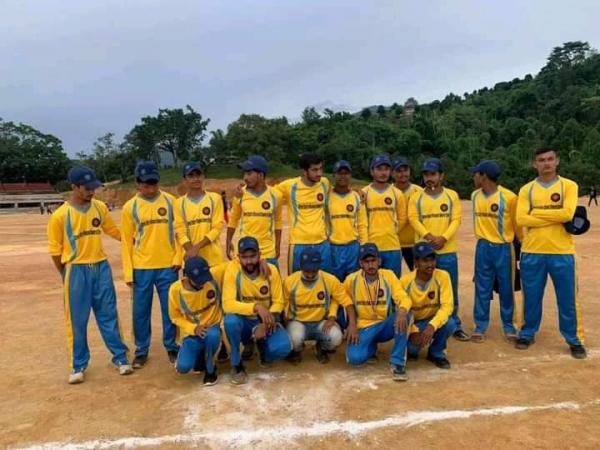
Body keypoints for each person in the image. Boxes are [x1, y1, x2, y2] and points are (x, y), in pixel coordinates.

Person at [47, 166, 132, 384]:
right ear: (74, 187)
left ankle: (120, 357)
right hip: (75, 269)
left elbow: (112, 230)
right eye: (87, 188)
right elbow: (55, 250)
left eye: (93, 188)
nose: (91, 192)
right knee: (77, 320)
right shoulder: (60, 216)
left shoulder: (99, 207)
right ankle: (78, 365)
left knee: (109, 315)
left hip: (101, 267)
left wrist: (133, 239)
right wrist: (64, 272)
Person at [515, 148, 586, 359]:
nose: (546, 163)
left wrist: (536, 212)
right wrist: (556, 216)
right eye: (541, 160)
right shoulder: (526, 189)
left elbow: (568, 214)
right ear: (534, 164)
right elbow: (521, 219)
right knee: (531, 297)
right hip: (532, 251)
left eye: (550, 159)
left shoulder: (569, 186)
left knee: (568, 299)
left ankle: (574, 339)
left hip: (562, 251)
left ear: (557, 161)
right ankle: (527, 333)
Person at [121, 161, 181, 369]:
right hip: (141, 267)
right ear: (138, 183)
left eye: (154, 183)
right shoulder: (130, 207)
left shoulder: (171, 202)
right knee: (140, 311)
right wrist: (129, 272)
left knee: (170, 309)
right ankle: (141, 350)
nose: (151, 188)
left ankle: (172, 346)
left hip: (168, 266)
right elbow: (126, 241)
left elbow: (180, 233)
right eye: (146, 184)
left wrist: (178, 257)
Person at [407, 158, 469, 341]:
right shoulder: (416, 197)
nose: (429, 178)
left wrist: (444, 238)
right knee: (422, 289)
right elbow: (413, 219)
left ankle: (454, 324)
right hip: (423, 253)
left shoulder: (451, 195)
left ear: (441, 176)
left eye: (433, 174)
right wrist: (429, 237)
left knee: (450, 289)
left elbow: (456, 219)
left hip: (446, 250)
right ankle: (423, 322)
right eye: (426, 174)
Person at [222, 237, 292, 384]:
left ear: (259, 255)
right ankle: (237, 364)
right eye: (244, 257)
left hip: (266, 320)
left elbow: (279, 302)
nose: (249, 261)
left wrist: (266, 324)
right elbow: (227, 304)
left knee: (283, 347)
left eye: (253, 256)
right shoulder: (233, 270)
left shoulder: (271, 270)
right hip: (245, 320)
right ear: (238, 257)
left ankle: (263, 349)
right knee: (230, 321)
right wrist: (256, 307)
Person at [470, 160, 522, 343]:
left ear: (483, 176)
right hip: (483, 247)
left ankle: (509, 325)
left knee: (506, 287)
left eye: (475, 174)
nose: (473, 177)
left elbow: (517, 226)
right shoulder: (475, 196)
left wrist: (522, 248)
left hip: (504, 248)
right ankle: (480, 325)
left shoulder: (509, 197)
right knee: (482, 287)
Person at [344, 243, 411, 381]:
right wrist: (350, 323)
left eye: (373, 261)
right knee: (354, 358)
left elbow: (404, 298)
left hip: (385, 325)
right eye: (366, 262)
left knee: (405, 316)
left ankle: (397, 362)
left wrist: (402, 311)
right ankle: (371, 347)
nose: (370, 265)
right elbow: (339, 297)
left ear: (379, 261)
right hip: (364, 328)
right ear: (360, 263)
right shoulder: (352, 280)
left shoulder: (388, 276)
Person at [283, 247, 356, 364]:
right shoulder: (289, 281)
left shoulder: (329, 280)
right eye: (307, 271)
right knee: (295, 338)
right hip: (298, 322)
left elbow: (347, 302)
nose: (310, 275)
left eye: (314, 271)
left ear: (319, 267)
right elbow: (281, 304)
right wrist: (285, 323)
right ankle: (296, 350)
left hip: (321, 323)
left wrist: (351, 323)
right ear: (301, 266)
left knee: (336, 337)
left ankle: (321, 347)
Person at [168, 257, 226, 386]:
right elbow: (175, 317)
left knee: (212, 336)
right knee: (183, 367)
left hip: (212, 327)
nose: (203, 283)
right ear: (187, 277)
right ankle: (199, 354)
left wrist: (262, 261)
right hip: (192, 333)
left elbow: (234, 263)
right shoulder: (175, 290)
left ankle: (210, 368)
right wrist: (193, 328)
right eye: (198, 280)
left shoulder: (213, 276)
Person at [273, 153, 331, 274]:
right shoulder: (289, 186)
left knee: (324, 280)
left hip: (322, 242)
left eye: (320, 168)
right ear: (304, 171)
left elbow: (340, 191)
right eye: (314, 170)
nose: (319, 173)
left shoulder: (324, 183)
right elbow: (266, 193)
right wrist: (243, 189)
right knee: (296, 281)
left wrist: (358, 191)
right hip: (299, 244)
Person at [400, 242, 455, 369]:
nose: (430, 264)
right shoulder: (404, 282)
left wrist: (432, 325)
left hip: (432, 320)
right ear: (416, 262)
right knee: (412, 349)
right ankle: (412, 349)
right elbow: (402, 311)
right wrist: (413, 331)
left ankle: (436, 353)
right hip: (414, 324)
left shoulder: (443, 276)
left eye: (432, 260)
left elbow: (447, 306)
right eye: (425, 261)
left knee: (450, 323)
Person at [227, 155, 283, 267]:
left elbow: (278, 221)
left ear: (261, 175)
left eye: (249, 174)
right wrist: (228, 242)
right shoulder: (240, 194)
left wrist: (277, 245)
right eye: (244, 174)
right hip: (245, 252)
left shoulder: (276, 195)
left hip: (268, 253)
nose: (245, 178)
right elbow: (233, 219)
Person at [361, 154, 407, 277]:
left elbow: (402, 218)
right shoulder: (364, 193)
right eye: (379, 169)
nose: (383, 173)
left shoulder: (397, 193)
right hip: (371, 247)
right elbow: (360, 221)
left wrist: (392, 231)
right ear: (372, 171)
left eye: (386, 169)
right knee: (372, 283)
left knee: (393, 283)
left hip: (392, 246)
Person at [174, 161, 224, 267]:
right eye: (191, 176)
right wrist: (191, 252)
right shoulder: (179, 204)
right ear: (184, 180)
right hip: (192, 261)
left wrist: (196, 248)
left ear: (203, 176)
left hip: (214, 260)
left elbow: (217, 228)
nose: (196, 178)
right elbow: (181, 232)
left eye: (198, 175)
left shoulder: (215, 199)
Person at [327, 160, 368, 281]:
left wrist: (364, 246)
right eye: (339, 173)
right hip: (333, 247)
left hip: (353, 248)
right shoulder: (326, 196)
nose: (343, 176)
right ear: (333, 175)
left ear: (350, 175)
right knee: (335, 283)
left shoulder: (357, 197)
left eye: (346, 173)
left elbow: (362, 224)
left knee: (353, 282)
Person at [392, 157, 423, 271]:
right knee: (392, 276)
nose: (403, 174)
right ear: (392, 173)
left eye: (405, 170)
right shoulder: (389, 192)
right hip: (393, 243)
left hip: (415, 243)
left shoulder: (419, 191)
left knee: (418, 274)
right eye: (399, 171)